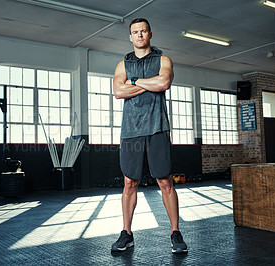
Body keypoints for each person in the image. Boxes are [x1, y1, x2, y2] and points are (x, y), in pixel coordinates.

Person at [111, 18, 188, 254]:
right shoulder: (122, 64)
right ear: (130, 37)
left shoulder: (163, 60)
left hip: (157, 128)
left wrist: (133, 82)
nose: (139, 35)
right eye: (135, 32)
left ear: (150, 34)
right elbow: (118, 91)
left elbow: (164, 82)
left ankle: (175, 232)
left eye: (143, 31)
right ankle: (126, 233)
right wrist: (148, 84)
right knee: (128, 182)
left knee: (165, 181)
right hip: (131, 131)